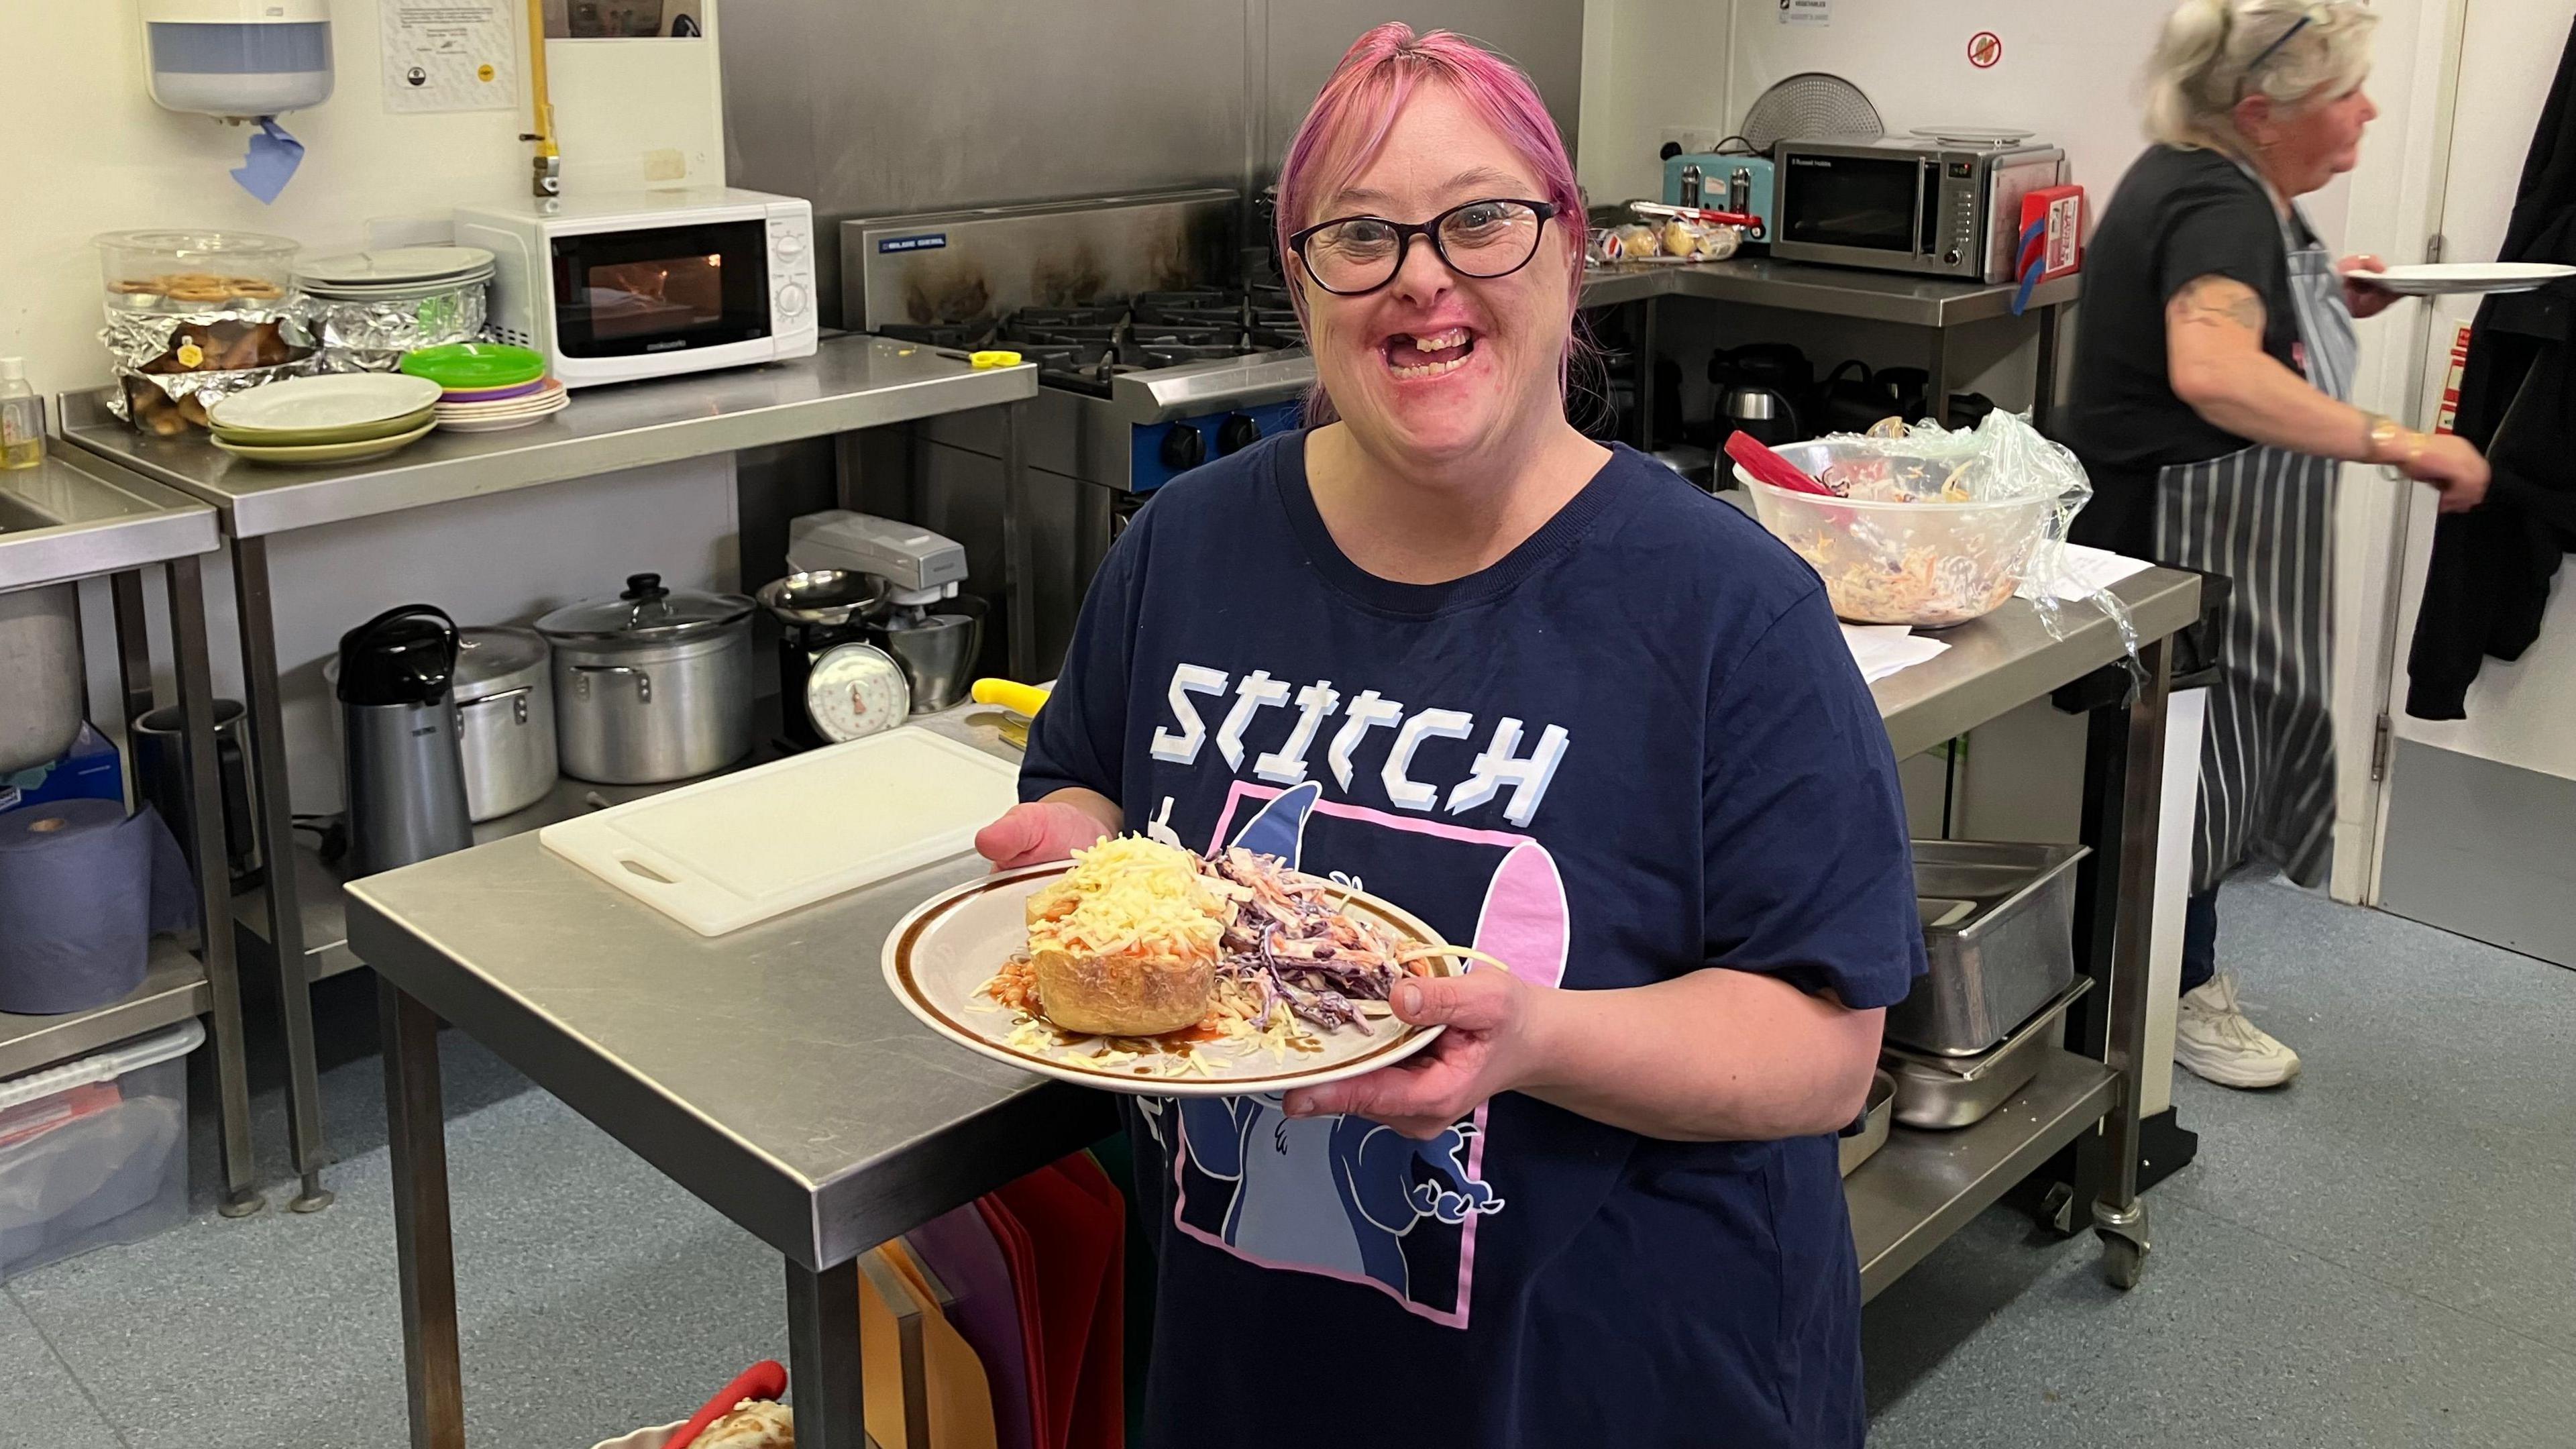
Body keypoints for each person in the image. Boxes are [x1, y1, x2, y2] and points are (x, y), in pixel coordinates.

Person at [973, 25, 1923, 1449]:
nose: (1423, 275)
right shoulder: (1187, 548)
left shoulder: (1727, 612)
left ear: (1570, 246)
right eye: (1360, 235)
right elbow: (1100, 796)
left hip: (1614, 1381)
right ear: (1302, 282)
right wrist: (1076, 852)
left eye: (1481, 219)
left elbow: (1826, 1051)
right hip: (1262, 1374)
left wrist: (1539, 1038)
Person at [2063, 0, 2489, 1090]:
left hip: (2205, 532)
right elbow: (2212, 371)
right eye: (2347, 92)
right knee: (2180, 784)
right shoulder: (2216, 198)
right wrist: (2405, 443)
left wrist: (2333, 297)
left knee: (2196, 772)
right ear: (2262, 110)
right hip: (2179, 538)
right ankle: (2157, 1001)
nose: (2369, 110)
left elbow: (2231, 327)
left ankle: (2161, 985)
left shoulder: (2213, 180)